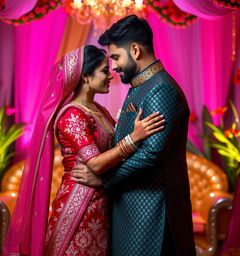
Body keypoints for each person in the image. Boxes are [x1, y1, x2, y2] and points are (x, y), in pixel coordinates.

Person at [3, 45, 165, 256]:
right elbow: (96, 163)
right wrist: (133, 138)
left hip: (101, 199)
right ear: (86, 77)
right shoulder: (71, 115)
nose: (110, 75)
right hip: (79, 202)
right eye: (104, 70)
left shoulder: (100, 110)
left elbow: (113, 153)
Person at [72, 15, 196, 256]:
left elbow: (151, 155)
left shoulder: (161, 88)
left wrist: (104, 180)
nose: (114, 67)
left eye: (116, 57)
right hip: (132, 208)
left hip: (153, 214)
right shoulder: (140, 87)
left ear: (136, 50)